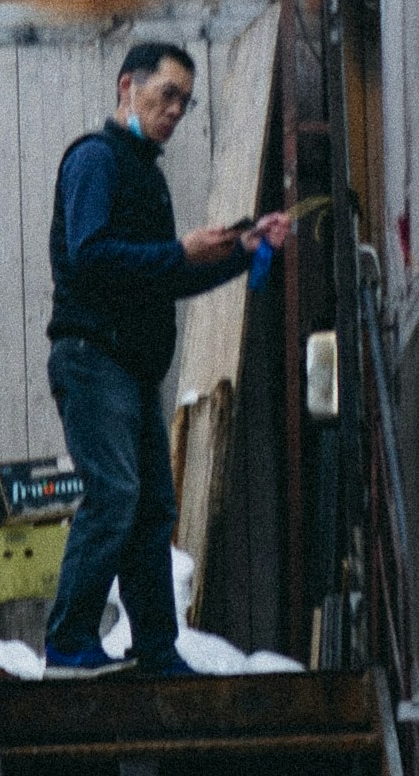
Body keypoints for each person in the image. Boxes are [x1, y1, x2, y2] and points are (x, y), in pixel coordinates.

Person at [36, 38, 294, 675]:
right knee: (116, 495)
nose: (176, 110)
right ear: (128, 85)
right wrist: (181, 252)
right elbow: (90, 253)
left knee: (152, 508)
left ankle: (154, 647)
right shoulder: (96, 159)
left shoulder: (146, 175)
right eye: (166, 93)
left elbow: (167, 277)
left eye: (186, 100)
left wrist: (238, 251)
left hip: (130, 369)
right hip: (93, 358)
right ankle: (68, 642)